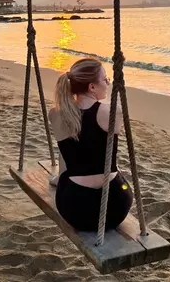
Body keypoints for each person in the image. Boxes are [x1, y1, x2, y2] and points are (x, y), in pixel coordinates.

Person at [48, 57, 133, 232]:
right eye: (105, 79)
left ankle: (60, 180)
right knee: (115, 172)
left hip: (74, 208)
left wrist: (61, 179)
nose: (108, 83)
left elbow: (69, 153)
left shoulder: (55, 114)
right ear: (92, 87)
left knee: (69, 156)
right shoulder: (112, 112)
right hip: (114, 207)